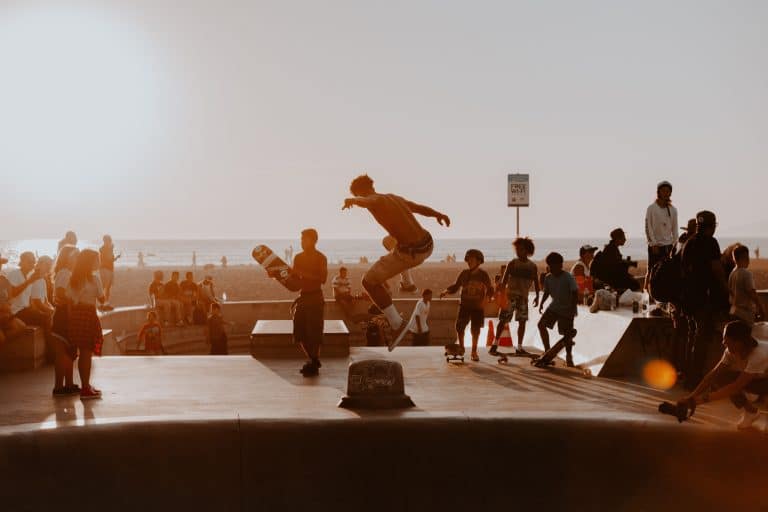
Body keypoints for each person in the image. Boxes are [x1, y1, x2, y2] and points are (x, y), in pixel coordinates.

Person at [342, 174, 450, 349]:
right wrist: (438, 214)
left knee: (368, 281)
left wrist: (353, 201)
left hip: (410, 253)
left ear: (360, 192)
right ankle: (407, 282)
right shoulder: (393, 198)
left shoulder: (373, 199)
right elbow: (418, 208)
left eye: (357, 195)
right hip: (428, 244)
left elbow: (368, 201)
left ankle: (396, 324)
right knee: (387, 241)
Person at [678, 321, 768, 430]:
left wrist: (701, 400)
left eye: (726, 338)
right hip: (761, 380)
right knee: (722, 378)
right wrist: (691, 397)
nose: (723, 341)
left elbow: (736, 386)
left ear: (738, 342)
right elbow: (713, 375)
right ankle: (751, 412)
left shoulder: (759, 354)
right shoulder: (730, 352)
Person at [679, 210, 729, 389]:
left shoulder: (689, 242)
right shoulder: (710, 242)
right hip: (703, 299)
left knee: (692, 336)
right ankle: (695, 379)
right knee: (701, 338)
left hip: (688, 299)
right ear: (712, 226)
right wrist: (727, 289)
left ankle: (688, 375)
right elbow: (716, 269)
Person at [272, 229, 327, 376]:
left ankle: (313, 362)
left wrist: (302, 273)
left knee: (314, 333)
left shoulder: (321, 257)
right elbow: (294, 284)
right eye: (301, 239)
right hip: (302, 297)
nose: (301, 242)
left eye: (304, 239)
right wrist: (277, 276)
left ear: (313, 240)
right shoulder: (298, 258)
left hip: (316, 298)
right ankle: (313, 360)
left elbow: (323, 278)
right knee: (299, 333)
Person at [67, 249, 106, 400]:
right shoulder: (94, 279)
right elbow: (102, 299)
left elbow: (70, 301)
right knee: (86, 354)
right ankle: (85, 388)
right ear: (90, 262)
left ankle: (85, 385)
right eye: (97, 259)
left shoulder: (74, 278)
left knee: (82, 353)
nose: (99, 262)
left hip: (76, 315)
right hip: (88, 314)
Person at [440, 249, 492, 362]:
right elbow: (456, 286)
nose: (469, 262)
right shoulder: (464, 273)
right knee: (459, 326)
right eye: (468, 260)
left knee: (475, 329)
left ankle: (474, 351)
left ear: (478, 261)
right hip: (464, 305)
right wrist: (446, 291)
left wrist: (486, 300)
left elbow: (490, 289)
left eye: (471, 260)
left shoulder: (483, 275)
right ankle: (462, 348)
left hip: (477, 307)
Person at [490, 238, 539, 356]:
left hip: (523, 297)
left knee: (522, 321)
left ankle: (520, 347)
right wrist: (500, 295)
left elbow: (536, 282)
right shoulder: (512, 263)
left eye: (521, 249)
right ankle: (495, 344)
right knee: (503, 321)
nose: (518, 251)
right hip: (510, 296)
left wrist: (537, 296)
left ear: (527, 250)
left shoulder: (532, 266)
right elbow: (503, 280)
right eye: (516, 249)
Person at [536, 252, 579, 367]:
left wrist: (572, 308)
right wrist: (541, 303)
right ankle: (547, 351)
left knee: (567, 334)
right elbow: (546, 292)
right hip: (554, 307)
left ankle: (569, 356)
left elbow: (575, 293)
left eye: (555, 266)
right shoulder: (548, 277)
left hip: (567, 309)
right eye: (550, 266)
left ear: (561, 265)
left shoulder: (568, 277)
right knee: (541, 325)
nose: (552, 269)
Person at [7, 252, 53, 350]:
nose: (32, 264)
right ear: (22, 261)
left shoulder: (29, 276)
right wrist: (29, 281)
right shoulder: (15, 274)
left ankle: (52, 350)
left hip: (24, 310)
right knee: (46, 319)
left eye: (33, 262)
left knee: (48, 317)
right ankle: (51, 352)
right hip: (15, 311)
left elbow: (30, 300)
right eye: (30, 262)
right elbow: (12, 293)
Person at [51, 245, 80, 396]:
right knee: (62, 352)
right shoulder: (64, 273)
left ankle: (68, 384)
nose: (77, 258)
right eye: (75, 256)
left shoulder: (68, 273)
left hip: (67, 314)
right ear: (67, 257)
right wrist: (73, 302)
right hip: (64, 315)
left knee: (69, 352)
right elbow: (61, 294)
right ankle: (59, 386)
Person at [645, 181, 678, 293]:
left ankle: (664, 296)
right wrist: (653, 243)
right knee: (651, 270)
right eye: (663, 190)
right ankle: (648, 294)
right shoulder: (651, 208)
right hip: (656, 246)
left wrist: (675, 244)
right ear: (658, 192)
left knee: (667, 272)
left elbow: (675, 228)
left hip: (668, 246)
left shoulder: (673, 210)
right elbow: (648, 226)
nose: (666, 193)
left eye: (668, 191)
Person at [728, 245, 765, 326]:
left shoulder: (732, 273)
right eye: (747, 257)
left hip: (733, 311)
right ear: (744, 257)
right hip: (744, 314)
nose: (748, 260)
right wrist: (761, 309)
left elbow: (730, 291)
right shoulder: (746, 273)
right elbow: (752, 293)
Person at [28, 256, 56, 363]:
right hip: (32, 309)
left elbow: (45, 301)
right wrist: (51, 312)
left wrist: (53, 310)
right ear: (40, 263)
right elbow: (37, 303)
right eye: (47, 264)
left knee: (57, 316)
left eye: (50, 264)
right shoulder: (34, 278)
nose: (49, 267)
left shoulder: (43, 279)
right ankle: (51, 355)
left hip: (39, 308)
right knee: (48, 320)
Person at [0, 253, 26, 347]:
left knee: (21, 326)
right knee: (1, 338)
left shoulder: (3, 280)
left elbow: (9, 299)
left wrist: (7, 309)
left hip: (5, 316)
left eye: (0, 264)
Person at [98, 235, 120, 308]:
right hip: (105, 269)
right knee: (105, 287)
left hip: (109, 268)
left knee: (108, 287)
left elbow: (111, 260)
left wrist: (116, 257)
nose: (110, 242)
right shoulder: (104, 249)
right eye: (109, 240)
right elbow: (107, 259)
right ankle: (103, 303)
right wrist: (111, 249)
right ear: (106, 241)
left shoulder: (108, 248)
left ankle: (105, 303)